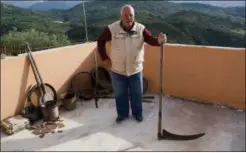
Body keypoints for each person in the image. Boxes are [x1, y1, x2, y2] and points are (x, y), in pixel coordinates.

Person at [97, 4, 167, 123]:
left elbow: (151, 39)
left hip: (135, 69)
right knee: (120, 95)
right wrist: (104, 58)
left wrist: (159, 41)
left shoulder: (141, 29)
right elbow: (100, 41)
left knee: (137, 94)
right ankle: (122, 114)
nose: (128, 17)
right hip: (118, 70)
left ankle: (137, 114)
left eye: (131, 15)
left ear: (134, 16)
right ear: (121, 16)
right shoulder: (111, 29)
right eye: (125, 15)